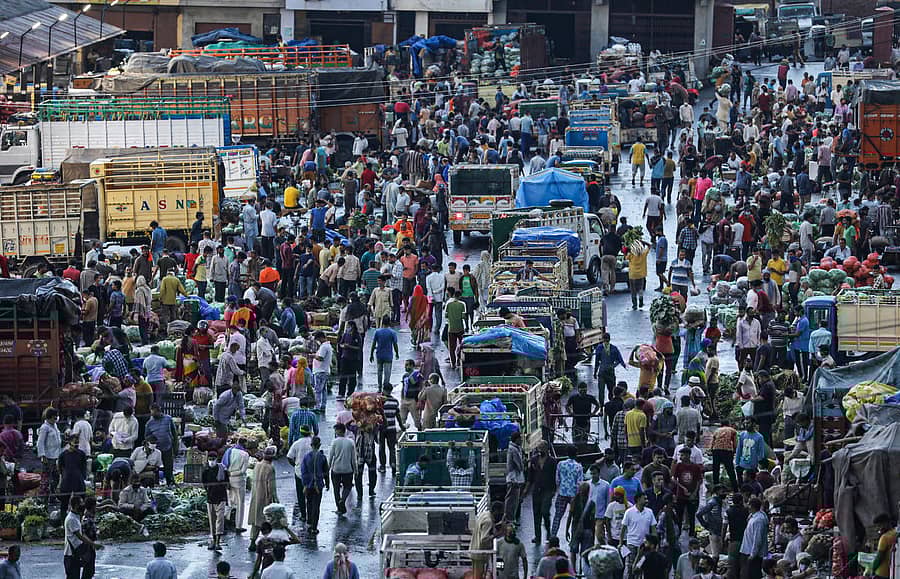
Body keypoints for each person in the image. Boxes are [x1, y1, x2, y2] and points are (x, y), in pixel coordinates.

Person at [64, 496, 103, 579]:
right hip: (71, 553)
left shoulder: (76, 517)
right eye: (81, 503)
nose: (83, 505)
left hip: (76, 552)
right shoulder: (71, 519)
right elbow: (80, 536)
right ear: (75, 505)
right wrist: (93, 544)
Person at [248, 446, 279, 550]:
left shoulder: (257, 465)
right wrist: (273, 500)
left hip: (256, 495)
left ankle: (252, 541)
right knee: (267, 521)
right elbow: (271, 487)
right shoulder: (270, 468)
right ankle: (268, 542)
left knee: (255, 521)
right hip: (264, 498)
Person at [551, 446, 584, 537]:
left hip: (562, 493)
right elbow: (579, 483)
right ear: (576, 454)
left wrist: (560, 488)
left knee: (557, 516)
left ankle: (553, 536)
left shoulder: (561, 464)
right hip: (574, 495)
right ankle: (574, 538)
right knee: (575, 517)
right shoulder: (579, 466)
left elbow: (557, 480)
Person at [329, 422, 356, 515]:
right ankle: (343, 500)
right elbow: (353, 458)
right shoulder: (350, 442)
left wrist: (327, 469)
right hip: (347, 469)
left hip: (336, 469)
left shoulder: (334, 442)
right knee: (347, 486)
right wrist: (355, 470)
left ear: (339, 431)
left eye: (336, 430)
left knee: (336, 489)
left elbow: (331, 456)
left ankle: (339, 508)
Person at [203, 451, 228, 551]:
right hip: (210, 498)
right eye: (210, 459)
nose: (212, 461)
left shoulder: (222, 469)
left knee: (220, 520)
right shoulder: (205, 470)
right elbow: (204, 484)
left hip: (221, 497)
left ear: (216, 459)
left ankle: (218, 542)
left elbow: (227, 481)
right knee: (212, 520)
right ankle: (213, 540)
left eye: (213, 459)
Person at [739, 498, 768, 579]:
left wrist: (753, 555)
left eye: (748, 504)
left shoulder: (759, 520)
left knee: (751, 575)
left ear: (751, 506)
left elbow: (757, 539)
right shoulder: (755, 516)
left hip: (752, 554)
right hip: (748, 551)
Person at [370, 317, 399, 389]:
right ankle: (385, 387)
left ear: (382, 322)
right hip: (388, 355)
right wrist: (397, 353)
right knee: (387, 372)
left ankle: (379, 387)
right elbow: (395, 344)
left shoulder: (377, 332)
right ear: (389, 323)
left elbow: (373, 344)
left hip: (379, 354)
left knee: (379, 371)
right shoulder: (392, 332)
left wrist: (371, 355)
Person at [869, 513, 896, 579]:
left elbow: (879, 557)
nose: (878, 529)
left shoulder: (884, 538)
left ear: (885, 523)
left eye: (879, 525)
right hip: (890, 572)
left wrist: (872, 569)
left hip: (881, 573)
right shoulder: (895, 533)